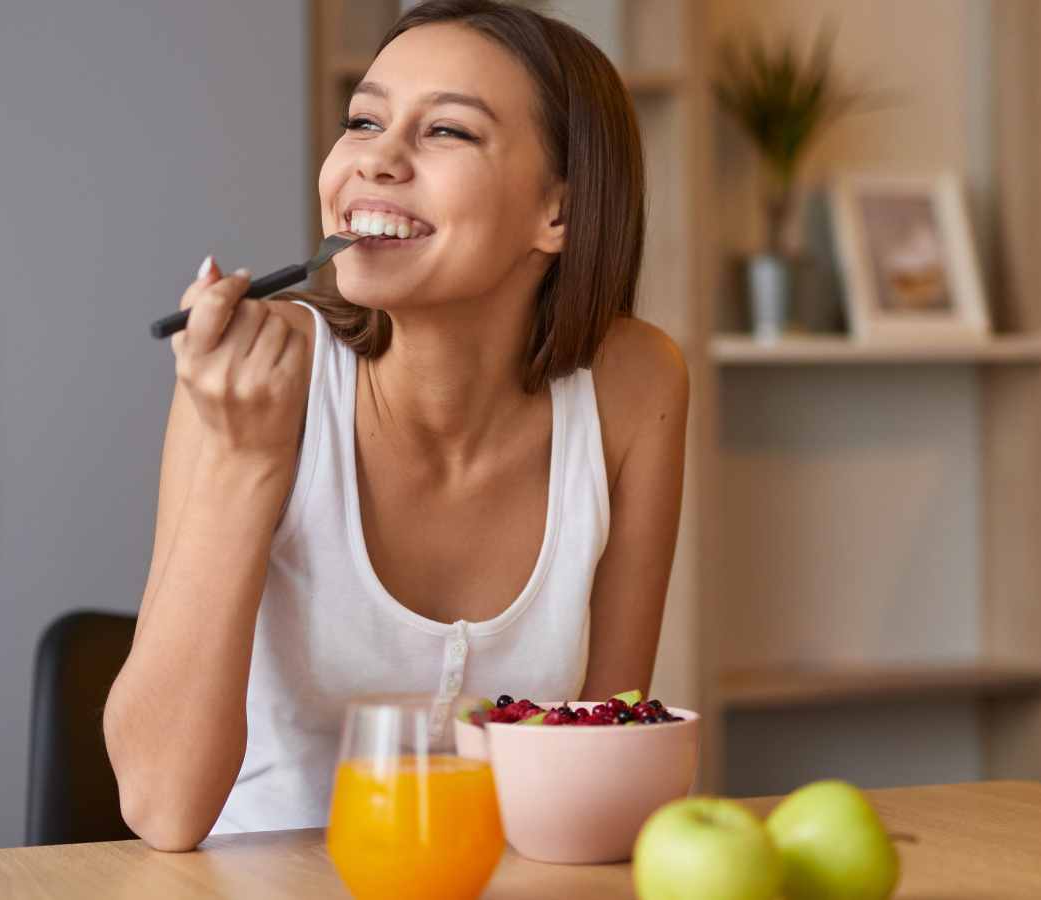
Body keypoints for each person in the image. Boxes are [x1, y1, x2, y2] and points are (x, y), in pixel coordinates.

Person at [104, 0, 688, 852]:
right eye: (364, 119)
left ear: (557, 212)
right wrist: (244, 460)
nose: (375, 158)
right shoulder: (260, 377)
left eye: (445, 131)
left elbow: (599, 761)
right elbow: (160, 808)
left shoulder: (635, 385)